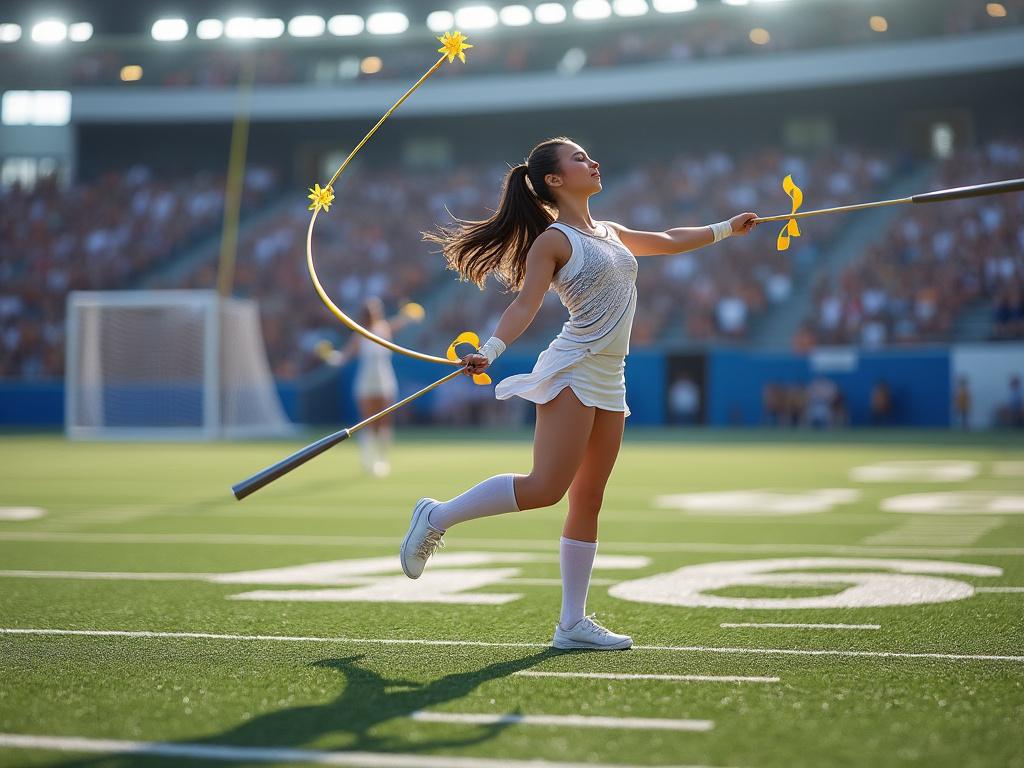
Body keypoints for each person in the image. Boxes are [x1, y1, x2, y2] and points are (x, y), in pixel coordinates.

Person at [400, 136, 757, 650]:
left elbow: (670, 239)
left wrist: (727, 227)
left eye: (589, 155)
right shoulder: (554, 240)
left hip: (612, 375)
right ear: (554, 180)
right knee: (546, 488)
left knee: (588, 497)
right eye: (579, 158)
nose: (592, 161)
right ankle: (436, 516)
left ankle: (571, 624)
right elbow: (525, 305)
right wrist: (492, 349)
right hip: (574, 369)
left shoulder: (609, 232)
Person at [319, 296, 422, 477]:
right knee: (368, 422)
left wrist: (409, 315)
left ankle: (382, 460)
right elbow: (343, 357)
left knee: (384, 423)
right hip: (366, 382)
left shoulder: (384, 329)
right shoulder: (360, 334)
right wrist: (329, 356)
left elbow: (400, 321)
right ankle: (368, 459)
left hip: (384, 380)